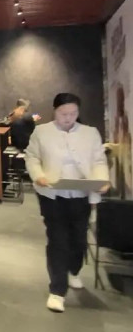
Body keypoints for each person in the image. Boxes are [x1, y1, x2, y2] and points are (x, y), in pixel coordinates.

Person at [25, 93, 110, 313]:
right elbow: (32, 157)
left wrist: (102, 180)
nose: (68, 118)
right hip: (52, 194)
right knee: (58, 240)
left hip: (81, 195)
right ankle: (57, 290)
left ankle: (74, 270)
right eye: (64, 113)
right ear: (55, 111)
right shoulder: (42, 132)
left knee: (79, 239)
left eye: (73, 113)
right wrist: (38, 175)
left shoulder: (90, 133)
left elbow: (99, 161)